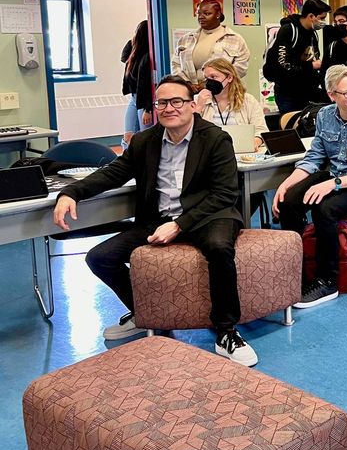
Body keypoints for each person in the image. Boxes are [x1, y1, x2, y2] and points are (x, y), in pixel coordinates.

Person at [52, 76, 257, 366]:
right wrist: (71, 192)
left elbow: (225, 194)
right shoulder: (145, 141)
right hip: (157, 219)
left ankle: (225, 330)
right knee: (100, 258)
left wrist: (180, 225)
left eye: (177, 101)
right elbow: (113, 172)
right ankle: (145, 313)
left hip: (208, 216)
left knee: (219, 248)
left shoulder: (215, 139)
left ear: (192, 105)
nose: (169, 108)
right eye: (162, 102)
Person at [274, 65, 347, 307]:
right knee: (289, 201)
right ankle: (294, 272)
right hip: (336, 176)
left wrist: (333, 184)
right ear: (331, 95)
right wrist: (285, 185)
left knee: (324, 209)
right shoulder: (326, 116)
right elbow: (314, 157)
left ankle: (327, 281)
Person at [262, 0, 331, 114]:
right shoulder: (288, 30)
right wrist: (311, 66)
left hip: (308, 91)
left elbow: (314, 57)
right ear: (311, 16)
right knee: (291, 126)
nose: (323, 22)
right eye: (321, 18)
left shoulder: (313, 34)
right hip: (288, 93)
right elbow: (283, 64)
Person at [195, 58, 269, 152]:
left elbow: (261, 130)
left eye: (213, 77)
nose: (209, 82)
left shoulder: (248, 100)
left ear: (229, 78)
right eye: (206, 78)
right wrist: (198, 107)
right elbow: (188, 132)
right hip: (209, 153)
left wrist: (254, 143)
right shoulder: (199, 100)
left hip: (241, 153)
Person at [171, 0, 250, 88]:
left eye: (207, 13)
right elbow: (175, 64)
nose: (201, 17)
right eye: (198, 13)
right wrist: (187, 84)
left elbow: (240, 68)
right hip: (189, 91)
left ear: (218, 15)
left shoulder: (235, 39)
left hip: (221, 91)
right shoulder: (185, 39)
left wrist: (210, 84)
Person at [121, 20, 153, 149]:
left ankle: (143, 166)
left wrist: (148, 109)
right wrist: (133, 40)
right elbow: (123, 57)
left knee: (145, 137)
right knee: (128, 136)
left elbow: (144, 86)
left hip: (143, 102)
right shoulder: (134, 54)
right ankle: (127, 165)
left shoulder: (146, 57)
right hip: (134, 99)